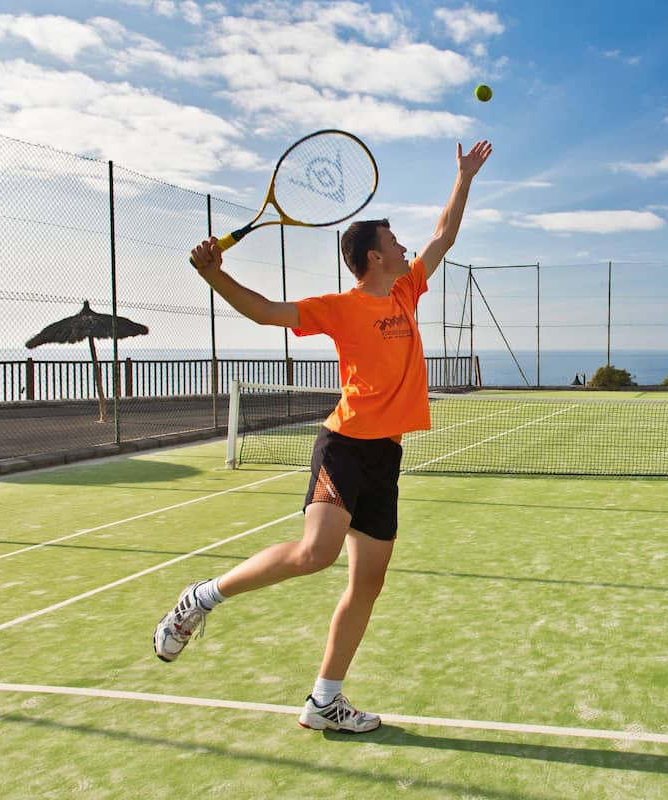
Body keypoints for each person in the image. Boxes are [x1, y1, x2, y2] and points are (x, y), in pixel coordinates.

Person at [153, 139, 493, 734]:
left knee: (369, 580)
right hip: (345, 445)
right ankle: (202, 598)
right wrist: (215, 274)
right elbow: (264, 312)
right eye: (393, 240)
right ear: (372, 256)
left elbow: (444, 235)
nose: (405, 245)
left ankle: (324, 701)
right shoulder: (337, 308)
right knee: (316, 555)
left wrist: (462, 178)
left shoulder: (408, 289)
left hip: (386, 456)